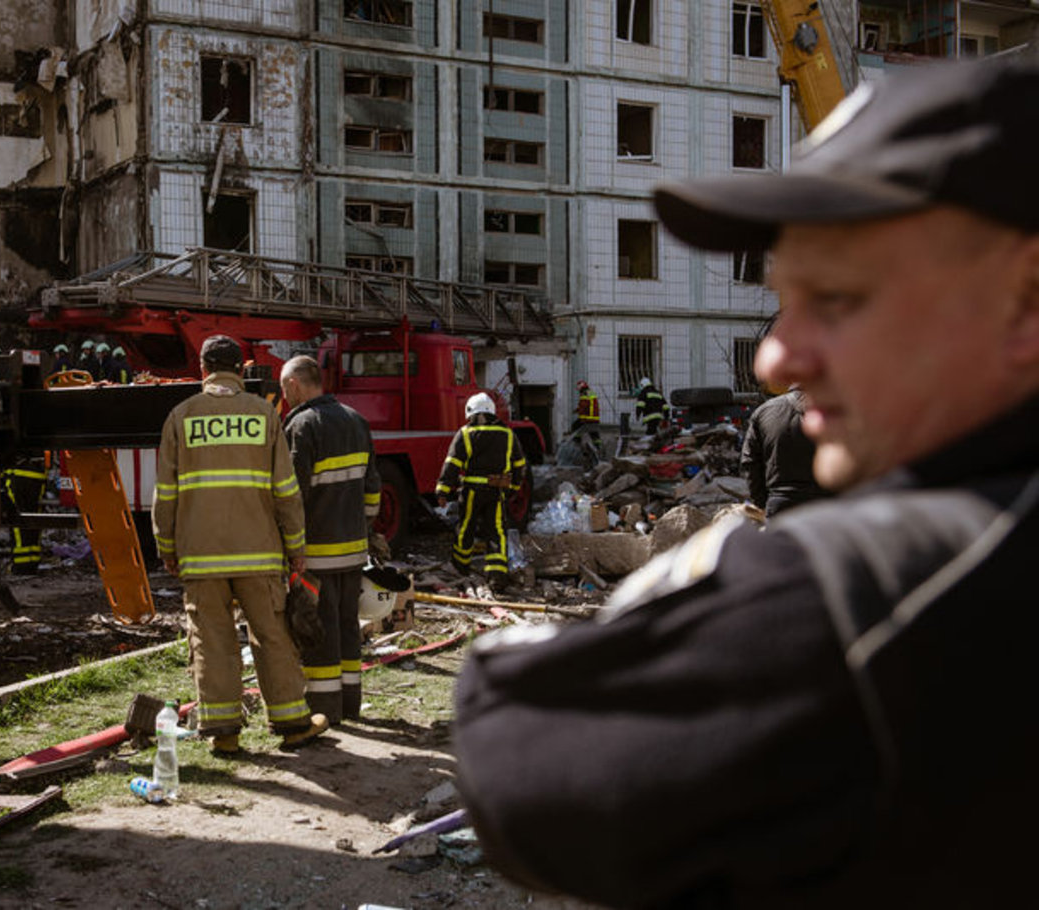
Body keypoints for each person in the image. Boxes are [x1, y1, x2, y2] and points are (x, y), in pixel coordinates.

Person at [453, 57, 1039, 908]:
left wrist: (686, 595)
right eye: (782, 301)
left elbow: (529, 769)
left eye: (836, 298)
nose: (775, 359)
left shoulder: (892, 591)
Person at [152, 335, 328, 753]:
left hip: (200, 555)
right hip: (260, 554)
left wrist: (167, 547)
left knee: (211, 641)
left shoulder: (181, 416)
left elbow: (166, 494)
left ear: (202, 368)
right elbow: (286, 490)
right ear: (242, 369)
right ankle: (291, 724)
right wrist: (296, 546)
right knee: (272, 637)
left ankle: (225, 735)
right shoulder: (264, 414)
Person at [280, 354, 381, 724]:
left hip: (315, 556)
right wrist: (365, 528)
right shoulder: (356, 420)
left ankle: (325, 710)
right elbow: (372, 487)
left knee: (319, 631)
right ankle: (351, 703)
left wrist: (288, 544)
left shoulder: (303, 426)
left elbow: (293, 495)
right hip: (353, 551)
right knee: (347, 626)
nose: (284, 397)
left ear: (293, 384)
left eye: (283, 389)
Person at [435, 392, 525, 593]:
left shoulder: (465, 433)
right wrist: (513, 488)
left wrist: (442, 490)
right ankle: (497, 576)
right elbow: (519, 464)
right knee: (496, 532)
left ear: (471, 413)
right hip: (496, 491)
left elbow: (452, 464)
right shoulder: (508, 434)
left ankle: (459, 566)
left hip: (472, 491)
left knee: (466, 527)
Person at [740, 387, 829, 518]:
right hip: (827, 507)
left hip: (781, 505)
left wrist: (763, 503)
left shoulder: (764, 411)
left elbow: (749, 463)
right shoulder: (837, 410)